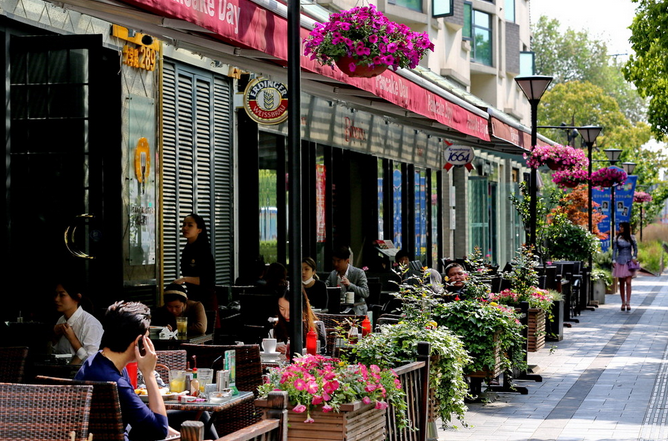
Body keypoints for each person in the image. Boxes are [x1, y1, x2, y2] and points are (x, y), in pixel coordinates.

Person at [75, 301, 179, 441]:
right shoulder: (115, 383)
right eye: (147, 337)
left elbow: (141, 418)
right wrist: (149, 374)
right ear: (138, 341)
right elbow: (159, 431)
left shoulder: (94, 362)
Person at [173, 213, 217, 314]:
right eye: (184, 225)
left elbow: (207, 279)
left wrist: (184, 279)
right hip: (192, 296)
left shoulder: (204, 251)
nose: (185, 228)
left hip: (206, 299)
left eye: (190, 225)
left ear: (199, 230)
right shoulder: (187, 249)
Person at [52, 280, 103, 364]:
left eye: (62, 295)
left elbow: (90, 361)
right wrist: (54, 336)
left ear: (77, 298)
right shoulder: (61, 320)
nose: (56, 299)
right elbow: (56, 353)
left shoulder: (90, 323)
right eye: (55, 295)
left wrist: (72, 338)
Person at [271, 287, 326, 355]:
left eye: (291, 310)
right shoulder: (276, 327)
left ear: (302, 307)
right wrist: (275, 348)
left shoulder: (316, 326)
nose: (286, 314)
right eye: (282, 309)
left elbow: (322, 351)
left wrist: (298, 351)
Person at [325, 246, 369, 315]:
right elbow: (325, 288)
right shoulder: (333, 274)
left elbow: (365, 293)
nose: (335, 264)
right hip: (337, 309)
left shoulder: (358, 273)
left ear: (347, 261)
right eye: (334, 261)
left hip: (355, 309)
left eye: (338, 261)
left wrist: (350, 285)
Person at [613, 221, 638, 312]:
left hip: (629, 261)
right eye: (620, 227)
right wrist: (613, 259)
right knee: (621, 282)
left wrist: (634, 257)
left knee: (628, 282)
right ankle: (623, 302)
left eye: (622, 227)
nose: (620, 229)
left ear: (626, 228)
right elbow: (614, 250)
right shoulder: (617, 238)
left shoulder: (631, 238)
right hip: (620, 261)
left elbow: (635, 249)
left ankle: (628, 302)